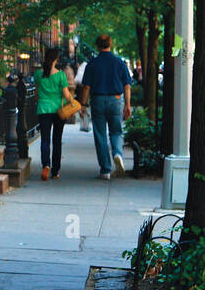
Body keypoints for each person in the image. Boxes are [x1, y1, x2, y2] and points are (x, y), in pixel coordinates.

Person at [82, 33, 133, 180]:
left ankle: (105, 170)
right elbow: (127, 86)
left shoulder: (92, 63)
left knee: (100, 134)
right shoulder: (119, 63)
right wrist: (127, 105)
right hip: (116, 99)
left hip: (97, 99)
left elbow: (86, 87)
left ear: (98, 46)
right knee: (116, 132)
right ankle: (117, 153)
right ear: (110, 44)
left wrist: (83, 105)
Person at [35, 46, 76, 180]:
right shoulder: (61, 75)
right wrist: (74, 102)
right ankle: (55, 171)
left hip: (43, 109)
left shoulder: (38, 74)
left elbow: (36, 92)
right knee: (57, 140)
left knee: (45, 139)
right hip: (59, 111)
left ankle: (46, 165)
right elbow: (66, 94)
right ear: (56, 59)